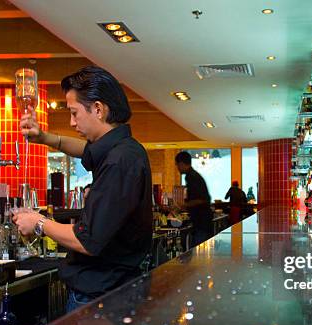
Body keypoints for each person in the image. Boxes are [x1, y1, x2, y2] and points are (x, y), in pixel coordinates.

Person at [14, 66, 153, 312]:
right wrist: (43, 137)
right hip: (112, 289)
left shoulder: (119, 161)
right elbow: (86, 151)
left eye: (74, 113)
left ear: (98, 109)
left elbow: (87, 241)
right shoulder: (120, 149)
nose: (72, 122)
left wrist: (38, 223)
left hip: (101, 296)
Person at [174, 152, 212, 246]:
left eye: (177, 164)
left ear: (182, 163)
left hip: (201, 221)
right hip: (203, 221)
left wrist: (183, 205)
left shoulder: (192, 177)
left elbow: (202, 199)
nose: (177, 167)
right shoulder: (193, 175)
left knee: (197, 253)